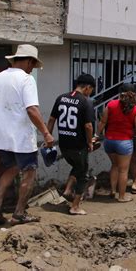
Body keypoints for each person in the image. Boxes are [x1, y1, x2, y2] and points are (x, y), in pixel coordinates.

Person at [0, 44, 54, 225]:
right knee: (29, 173)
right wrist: (46, 133)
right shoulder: (26, 79)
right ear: (29, 61)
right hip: (21, 137)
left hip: (2, 136)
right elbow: (32, 109)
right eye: (33, 65)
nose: (32, 69)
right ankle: (19, 213)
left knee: (12, 168)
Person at [47, 74, 96, 215]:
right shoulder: (85, 102)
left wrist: (48, 137)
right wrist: (89, 142)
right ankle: (75, 207)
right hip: (78, 145)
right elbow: (88, 126)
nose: (90, 93)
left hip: (64, 143)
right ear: (87, 87)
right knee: (83, 174)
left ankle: (68, 191)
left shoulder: (61, 98)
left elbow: (51, 120)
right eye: (91, 90)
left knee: (77, 166)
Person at [97, 84, 136, 203]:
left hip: (109, 141)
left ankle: (113, 190)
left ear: (119, 93)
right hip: (124, 142)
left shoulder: (110, 104)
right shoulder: (135, 109)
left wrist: (96, 135)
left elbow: (103, 121)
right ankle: (122, 196)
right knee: (123, 170)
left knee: (114, 165)